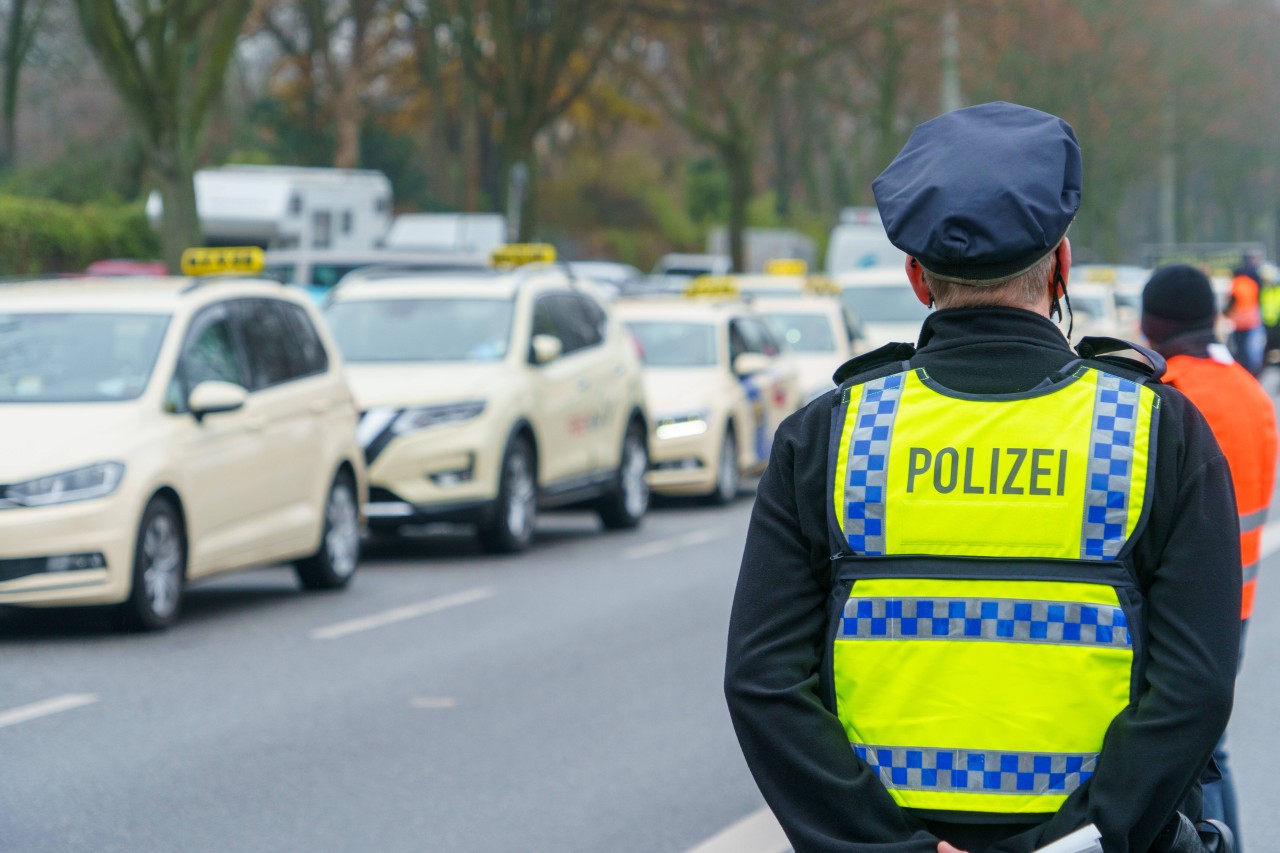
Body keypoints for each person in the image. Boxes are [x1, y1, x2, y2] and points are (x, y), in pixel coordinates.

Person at [725, 102, 1241, 853]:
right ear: (1061, 264)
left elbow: (764, 684)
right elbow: (1195, 686)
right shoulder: (1160, 431)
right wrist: (1083, 837)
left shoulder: (827, 437)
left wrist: (888, 846)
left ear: (914, 276)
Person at [1141, 265, 1277, 852]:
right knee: (1211, 750)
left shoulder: (1171, 396)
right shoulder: (1250, 391)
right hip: (1236, 602)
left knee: (1188, 760)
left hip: (1174, 607)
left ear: (1151, 323)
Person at [1225, 254, 1265, 376]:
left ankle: (1242, 370)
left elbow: (1233, 300)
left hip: (1239, 322)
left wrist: (1225, 312)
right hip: (1253, 320)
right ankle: (1253, 370)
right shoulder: (1252, 283)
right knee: (1251, 349)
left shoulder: (1236, 283)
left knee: (1239, 349)